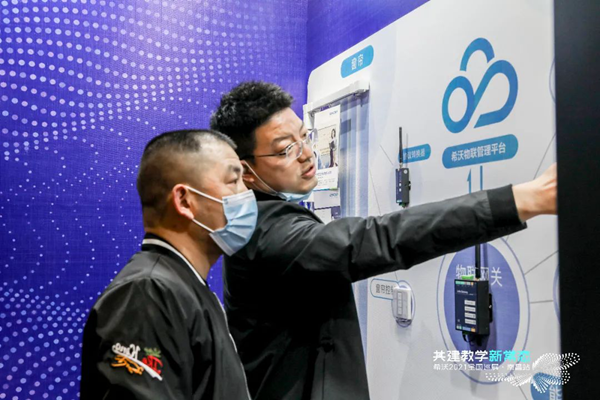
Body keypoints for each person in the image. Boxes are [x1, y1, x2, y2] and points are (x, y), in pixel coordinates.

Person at [210, 81, 557, 400]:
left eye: (305, 136)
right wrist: (520, 201)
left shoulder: (260, 218)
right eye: (286, 149)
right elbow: (374, 239)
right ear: (246, 171)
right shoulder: (266, 232)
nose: (306, 153)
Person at [80, 129, 254, 399]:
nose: (246, 193)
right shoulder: (147, 295)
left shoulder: (182, 286)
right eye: (233, 181)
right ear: (184, 200)